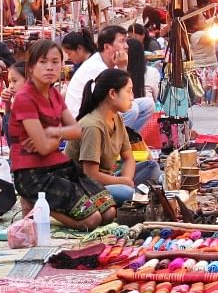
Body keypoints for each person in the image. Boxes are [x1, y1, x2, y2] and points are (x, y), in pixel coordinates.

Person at [7, 40, 115, 230]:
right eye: (43, 61)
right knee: (92, 220)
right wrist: (59, 135)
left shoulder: (54, 94)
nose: (50, 67)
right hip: (32, 173)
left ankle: (38, 203)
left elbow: (77, 130)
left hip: (58, 166)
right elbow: (43, 148)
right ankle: (36, 203)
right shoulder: (25, 98)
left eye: (55, 61)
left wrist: (53, 132)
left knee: (109, 212)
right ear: (31, 67)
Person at [68, 68, 162, 203]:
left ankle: (132, 195)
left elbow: (128, 158)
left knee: (151, 167)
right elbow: (90, 175)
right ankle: (132, 196)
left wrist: (126, 180)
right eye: (129, 91)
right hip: (84, 187)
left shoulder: (117, 118)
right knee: (128, 193)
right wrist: (121, 183)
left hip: (109, 181)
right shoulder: (93, 126)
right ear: (112, 93)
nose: (132, 97)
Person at [65, 25, 155, 132]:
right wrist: (122, 68)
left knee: (148, 105)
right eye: (122, 41)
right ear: (107, 47)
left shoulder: (112, 63)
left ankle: (129, 138)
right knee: (132, 110)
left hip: (99, 113)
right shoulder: (97, 67)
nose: (126, 46)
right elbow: (121, 99)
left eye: (126, 41)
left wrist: (122, 68)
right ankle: (113, 144)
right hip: (82, 121)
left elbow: (128, 94)